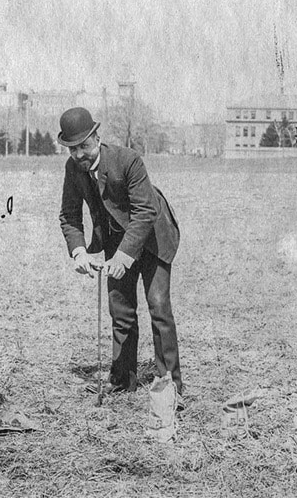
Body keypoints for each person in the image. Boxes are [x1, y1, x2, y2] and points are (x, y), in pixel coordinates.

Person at [57, 107, 183, 398]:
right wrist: (79, 252)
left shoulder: (128, 160)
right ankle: (123, 381)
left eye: (84, 146)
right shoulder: (73, 169)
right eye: (72, 149)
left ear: (97, 138)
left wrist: (125, 256)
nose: (79, 155)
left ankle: (171, 388)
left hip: (152, 236)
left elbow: (145, 211)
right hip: (116, 240)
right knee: (121, 310)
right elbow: (69, 214)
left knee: (158, 307)